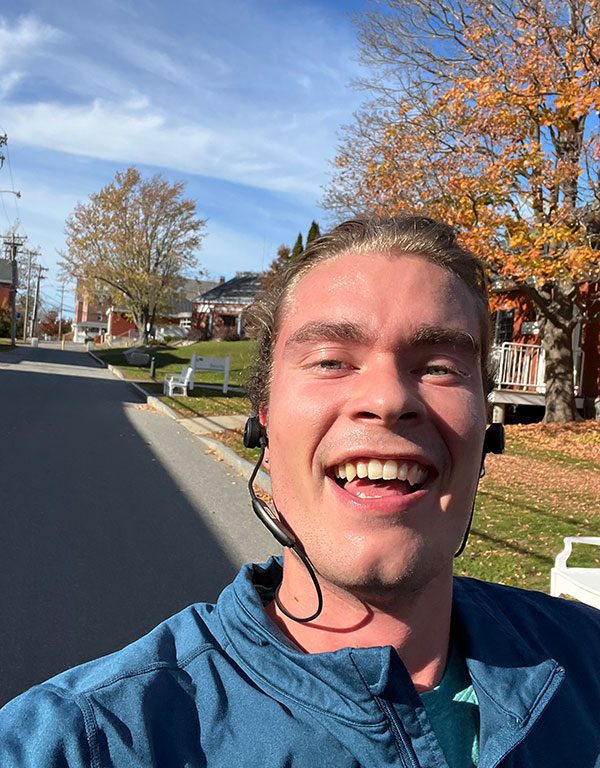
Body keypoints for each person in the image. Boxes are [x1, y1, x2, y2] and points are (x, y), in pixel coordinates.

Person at [1, 216, 598, 767]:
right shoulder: (88, 740)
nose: (388, 399)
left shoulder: (588, 659)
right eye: (332, 360)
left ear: (486, 432)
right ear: (263, 425)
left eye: (440, 366)